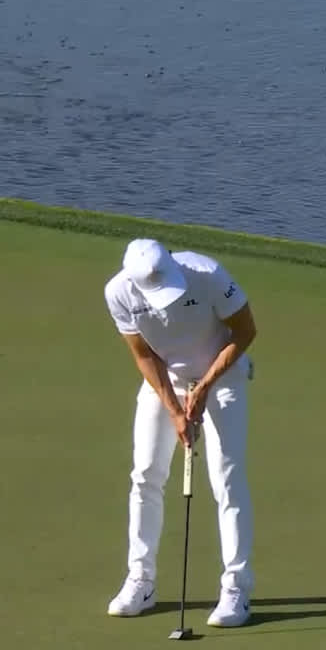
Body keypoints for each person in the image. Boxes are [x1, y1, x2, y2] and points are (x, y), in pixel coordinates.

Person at [102, 238, 258, 628]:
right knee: (145, 474)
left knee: (226, 478)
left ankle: (236, 589)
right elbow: (143, 355)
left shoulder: (206, 274)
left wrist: (204, 387)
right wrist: (175, 409)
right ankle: (142, 581)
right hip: (167, 380)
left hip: (222, 376)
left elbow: (245, 330)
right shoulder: (118, 292)